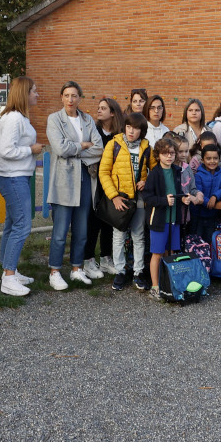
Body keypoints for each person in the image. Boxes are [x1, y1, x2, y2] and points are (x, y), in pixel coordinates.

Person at [46, 81, 104, 290]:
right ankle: (54, 271)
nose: (70, 100)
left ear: (80, 98)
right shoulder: (54, 119)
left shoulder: (87, 120)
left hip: (85, 177)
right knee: (60, 231)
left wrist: (76, 151)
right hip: (63, 180)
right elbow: (60, 148)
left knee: (82, 229)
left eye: (74, 95)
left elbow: (99, 148)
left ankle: (77, 268)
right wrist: (82, 145)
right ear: (61, 97)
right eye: (67, 95)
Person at [0, 76, 44, 297]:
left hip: (16, 177)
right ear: (24, 93)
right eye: (33, 91)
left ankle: (9, 271)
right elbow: (6, 150)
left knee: (13, 224)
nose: (37, 94)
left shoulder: (18, 117)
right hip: (13, 178)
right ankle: (8, 277)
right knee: (22, 225)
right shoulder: (15, 118)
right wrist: (31, 150)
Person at [100, 112, 152, 291]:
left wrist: (147, 181)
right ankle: (120, 271)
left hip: (138, 200)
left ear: (142, 131)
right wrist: (113, 196)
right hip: (120, 199)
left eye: (136, 128)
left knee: (138, 236)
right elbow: (104, 172)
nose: (131, 131)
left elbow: (155, 170)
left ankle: (138, 273)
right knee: (119, 236)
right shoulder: (114, 144)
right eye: (129, 127)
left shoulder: (146, 147)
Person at [144, 138, 191, 299]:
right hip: (159, 221)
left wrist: (183, 199)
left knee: (170, 252)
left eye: (172, 153)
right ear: (158, 155)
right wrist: (164, 201)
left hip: (174, 219)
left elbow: (177, 193)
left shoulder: (177, 171)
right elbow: (148, 197)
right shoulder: (155, 174)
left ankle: (168, 284)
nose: (169, 157)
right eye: (165, 153)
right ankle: (155, 286)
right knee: (157, 253)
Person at [85, 97, 124, 277]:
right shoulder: (94, 131)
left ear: (113, 112)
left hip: (113, 183)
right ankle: (88, 259)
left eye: (103, 108)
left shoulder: (119, 134)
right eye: (98, 108)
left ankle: (106, 258)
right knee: (93, 221)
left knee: (109, 220)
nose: (99, 111)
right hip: (95, 181)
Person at [191, 144, 221, 244]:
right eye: (208, 158)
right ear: (203, 160)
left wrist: (215, 196)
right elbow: (198, 193)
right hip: (198, 216)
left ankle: (210, 260)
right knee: (197, 242)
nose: (212, 161)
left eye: (215, 158)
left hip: (212, 216)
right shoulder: (198, 175)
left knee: (210, 241)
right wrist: (212, 204)